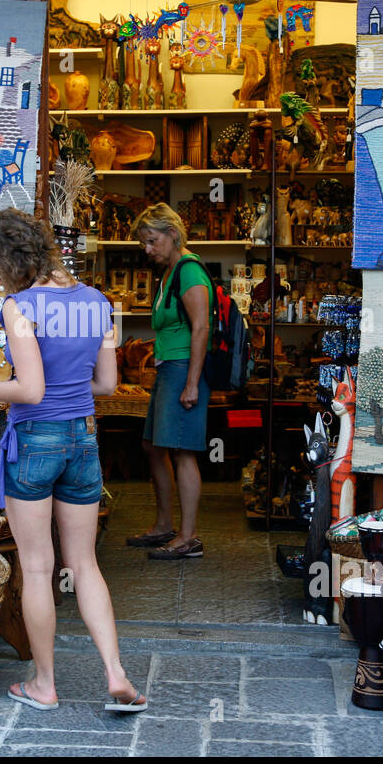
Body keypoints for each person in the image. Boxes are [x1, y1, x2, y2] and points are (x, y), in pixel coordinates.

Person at [0, 208, 146, 713]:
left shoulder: (19, 307)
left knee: (38, 569)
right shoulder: (100, 302)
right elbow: (105, 383)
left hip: (35, 440)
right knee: (85, 564)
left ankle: (43, 683)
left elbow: (31, 390)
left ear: (5, 263)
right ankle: (116, 673)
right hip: (83, 439)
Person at [125, 203, 211, 560]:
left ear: (172, 235)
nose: (147, 249)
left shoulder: (189, 271)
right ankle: (164, 525)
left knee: (183, 451)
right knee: (153, 446)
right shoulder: (170, 272)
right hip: (167, 368)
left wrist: (191, 383)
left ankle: (188, 537)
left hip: (182, 369)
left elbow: (201, 327)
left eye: (152, 240)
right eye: (144, 242)